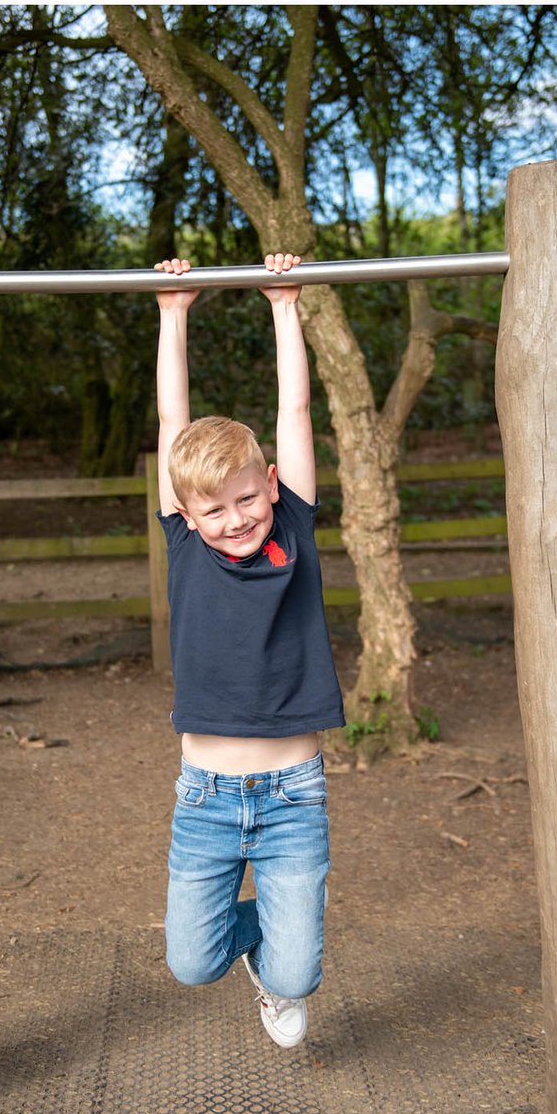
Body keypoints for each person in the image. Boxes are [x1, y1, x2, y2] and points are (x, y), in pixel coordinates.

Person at [152, 253, 346, 1049]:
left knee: (298, 975)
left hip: (293, 797)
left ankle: (278, 962)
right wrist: (173, 314)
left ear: (270, 483)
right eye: (215, 509)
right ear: (187, 515)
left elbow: (295, 410)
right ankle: (267, 932)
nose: (235, 519)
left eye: (246, 498)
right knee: (193, 964)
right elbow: (173, 427)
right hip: (204, 798)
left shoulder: (292, 524)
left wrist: (285, 305)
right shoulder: (187, 543)